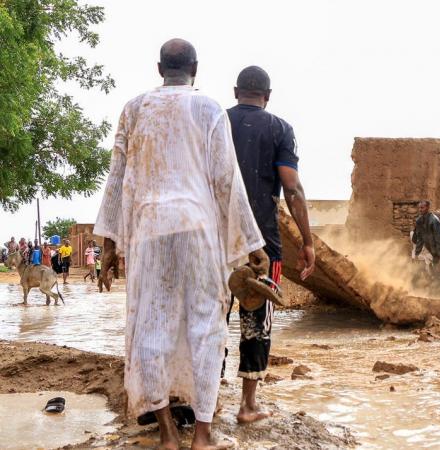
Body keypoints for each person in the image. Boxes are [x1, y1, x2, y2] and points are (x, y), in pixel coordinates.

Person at [93, 39, 266, 450]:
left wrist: (110, 248)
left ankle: (169, 433)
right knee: (206, 328)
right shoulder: (208, 108)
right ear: (195, 68)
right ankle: (202, 436)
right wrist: (251, 241)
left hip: (150, 230)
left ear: (159, 69)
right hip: (198, 228)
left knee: (150, 330)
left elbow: (117, 180)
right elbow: (226, 179)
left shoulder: (134, 109)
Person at [226, 65, 315, 424]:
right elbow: (291, 188)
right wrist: (307, 242)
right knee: (256, 321)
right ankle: (248, 406)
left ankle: (205, 403)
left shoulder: (215, 122)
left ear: (235, 92)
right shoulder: (279, 128)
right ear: (268, 96)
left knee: (209, 319)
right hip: (262, 245)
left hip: (214, 242)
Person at [411, 200, 440, 286]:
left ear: (428, 208)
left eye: (422, 207)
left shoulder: (434, 220)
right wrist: (417, 253)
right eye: (419, 208)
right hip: (434, 250)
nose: (420, 210)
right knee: (435, 271)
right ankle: (436, 291)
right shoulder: (419, 221)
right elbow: (420, 239)